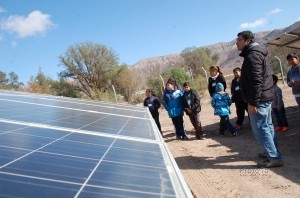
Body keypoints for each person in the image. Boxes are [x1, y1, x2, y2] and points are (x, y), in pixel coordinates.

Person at [237, 30, 283, 168]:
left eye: (239, 40)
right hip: (264, 97)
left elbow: (257, 81)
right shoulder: (255, 53)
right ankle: (272, 152)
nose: (236, 43)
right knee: (267, 127)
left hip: (259, 99)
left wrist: (253, 102)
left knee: (262, 128)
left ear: (247, 41)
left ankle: (274, 157)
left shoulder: (253, 55)